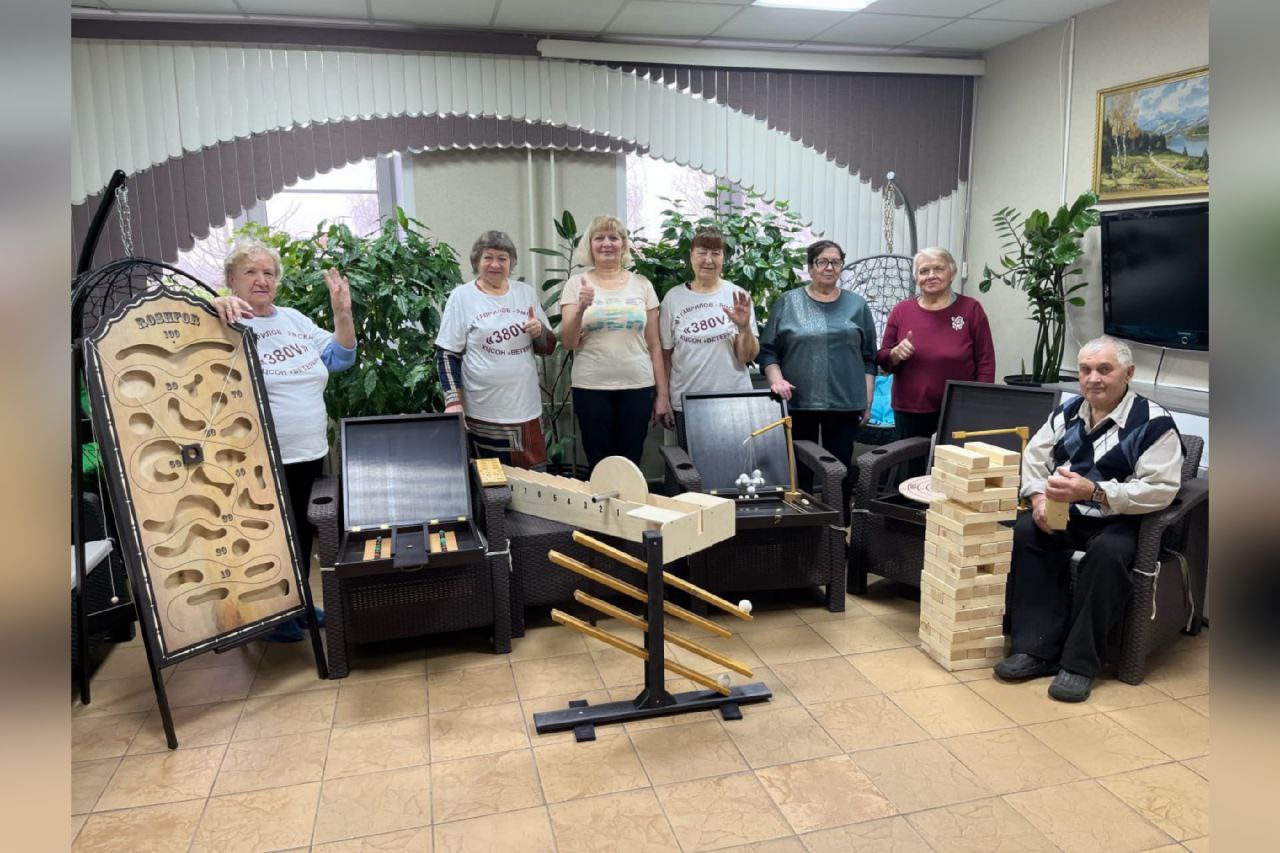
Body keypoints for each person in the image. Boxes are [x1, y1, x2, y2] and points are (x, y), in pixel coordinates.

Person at [995, 336, 1183, 702]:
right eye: (1085, 370)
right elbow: (1034, 457)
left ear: (1128, 373)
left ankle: (1079, 664)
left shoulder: (1155, 423)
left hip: (1120, 519)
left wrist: (1094, 492)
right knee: (1027, 532)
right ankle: (1036, 650)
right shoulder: (1067, 412)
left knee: (1108, 554)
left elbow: (1160, 489)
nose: (1093, 379)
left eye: (1104, 369)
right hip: (1066, 511)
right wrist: (1037, 498)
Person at [212, 239, 357, 642]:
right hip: (258, 455)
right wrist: (215, 303)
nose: (261, 280)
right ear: (231, 279)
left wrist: (342, 313)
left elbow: (341, 357)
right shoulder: (224, 320)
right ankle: (267, 614)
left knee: (300, 533)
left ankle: (297, 603)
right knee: (267, 536)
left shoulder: (293, 319)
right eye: (250, 272)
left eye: (269, 273)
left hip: (308, 450)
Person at [758, 239, 877, 514]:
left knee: (840, 472)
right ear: (810, 267)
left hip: (845, 404)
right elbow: (768, 352)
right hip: (799, 401)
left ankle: (839, 526)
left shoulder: (857, 305)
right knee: (801, 472)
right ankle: (805, 527)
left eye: (836, 262)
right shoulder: (788, 302)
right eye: (822, 261)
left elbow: (869, 358)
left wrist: (867, 400)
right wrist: (776, 380)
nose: (829, 267)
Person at [435, 231, 556, 467]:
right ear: (476, 262)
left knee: (533, 480)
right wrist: (453, 402)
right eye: (488, 257)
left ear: (511, 263)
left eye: (502, 258)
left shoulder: (526, 293)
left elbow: (548, 347)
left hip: (526, 411)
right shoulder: (461, 297)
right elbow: (447, 354)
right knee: (491, 482)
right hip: (483, 414)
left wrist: (539, 331)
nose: (495, 264)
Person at [559, 215, 670, 469]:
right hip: (591, 387)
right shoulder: (576, 285)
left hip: (638, 386)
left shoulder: (642, 284)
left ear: (624, 244)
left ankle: (629, 498)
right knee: (600, 464)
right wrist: (581, 308)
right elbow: (569, 342)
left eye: (613, 237)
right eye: (599, 238)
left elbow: (654, 345)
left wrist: (662, 394)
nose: (607, 243)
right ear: (590, 245)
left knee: (631, 461)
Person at [877, 246, 995, 477]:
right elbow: (883, 359)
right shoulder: (902, 310)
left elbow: (985, 361)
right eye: (924, 271)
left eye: (938, 269)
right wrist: (895, 354)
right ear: (916, 277)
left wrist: (979, 400)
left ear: (952, 273)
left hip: (958, 407)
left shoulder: (971, 309)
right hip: (911, 407)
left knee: (953, 473)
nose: (931, 276)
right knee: (911, 473)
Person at [659, 226, 759, 437]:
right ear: (691, 256)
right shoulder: (673, 298)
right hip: (687, 401)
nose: (708, 260)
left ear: (723, 258)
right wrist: (663, 397)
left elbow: (747, 357)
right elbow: (665, 356)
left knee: (738, 457)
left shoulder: (737, 295)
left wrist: (744, 327)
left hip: (734, 399)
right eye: (702, 252)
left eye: (716, 253)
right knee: (691, 459)